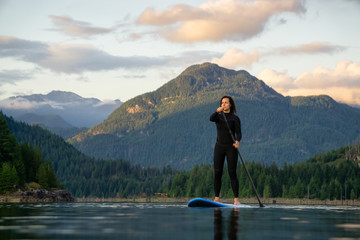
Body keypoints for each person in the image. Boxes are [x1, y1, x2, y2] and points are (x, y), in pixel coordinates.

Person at [209, 96, 242, 205]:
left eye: (226, 103)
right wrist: (216, 111)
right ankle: (217, 198)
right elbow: (211, 118)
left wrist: (237, 141)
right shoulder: (218, 117)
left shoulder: (234, 118)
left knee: (232, 172)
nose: (224, 104)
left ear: (230, 105)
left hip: (231, 148)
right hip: (219, 147)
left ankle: (236, 199)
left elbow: (239, 133)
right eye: (222, 103)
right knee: (217, 173)